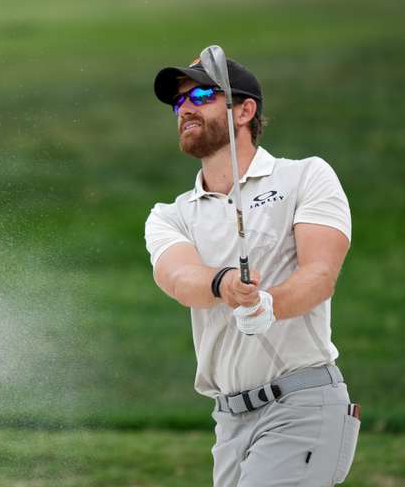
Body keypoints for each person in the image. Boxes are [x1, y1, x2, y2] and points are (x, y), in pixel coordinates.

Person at [144, 51, 360, 486]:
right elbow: (179, 277)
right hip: (229, 422)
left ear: (245, 110)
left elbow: (320, 275)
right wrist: (224, 285)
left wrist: (269, 304)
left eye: (203, 94)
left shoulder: (305, 177)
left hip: (302, 403)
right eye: (178, 102)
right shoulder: (171, 215)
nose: (185, 107)